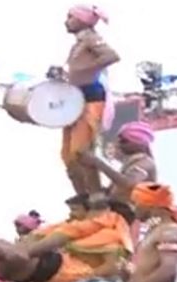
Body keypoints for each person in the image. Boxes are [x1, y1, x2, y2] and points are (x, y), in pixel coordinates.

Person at [60, 4, 120, 196]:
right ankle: (82, 197)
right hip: (75, 99)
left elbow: (112, 56)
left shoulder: (91, 38)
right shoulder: (78, 43)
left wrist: (85, 71)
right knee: (68, 155)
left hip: (90, 98)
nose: (66, 21)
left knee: (82, 152)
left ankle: (95, 195)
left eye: (70, 17)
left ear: (82, 20)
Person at [78, 121, 157, 204]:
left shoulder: (145, 163)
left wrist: (97, 162)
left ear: (138, 144)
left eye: (124, 141)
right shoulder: (130, 162)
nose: (119, 144)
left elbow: (127, 183)